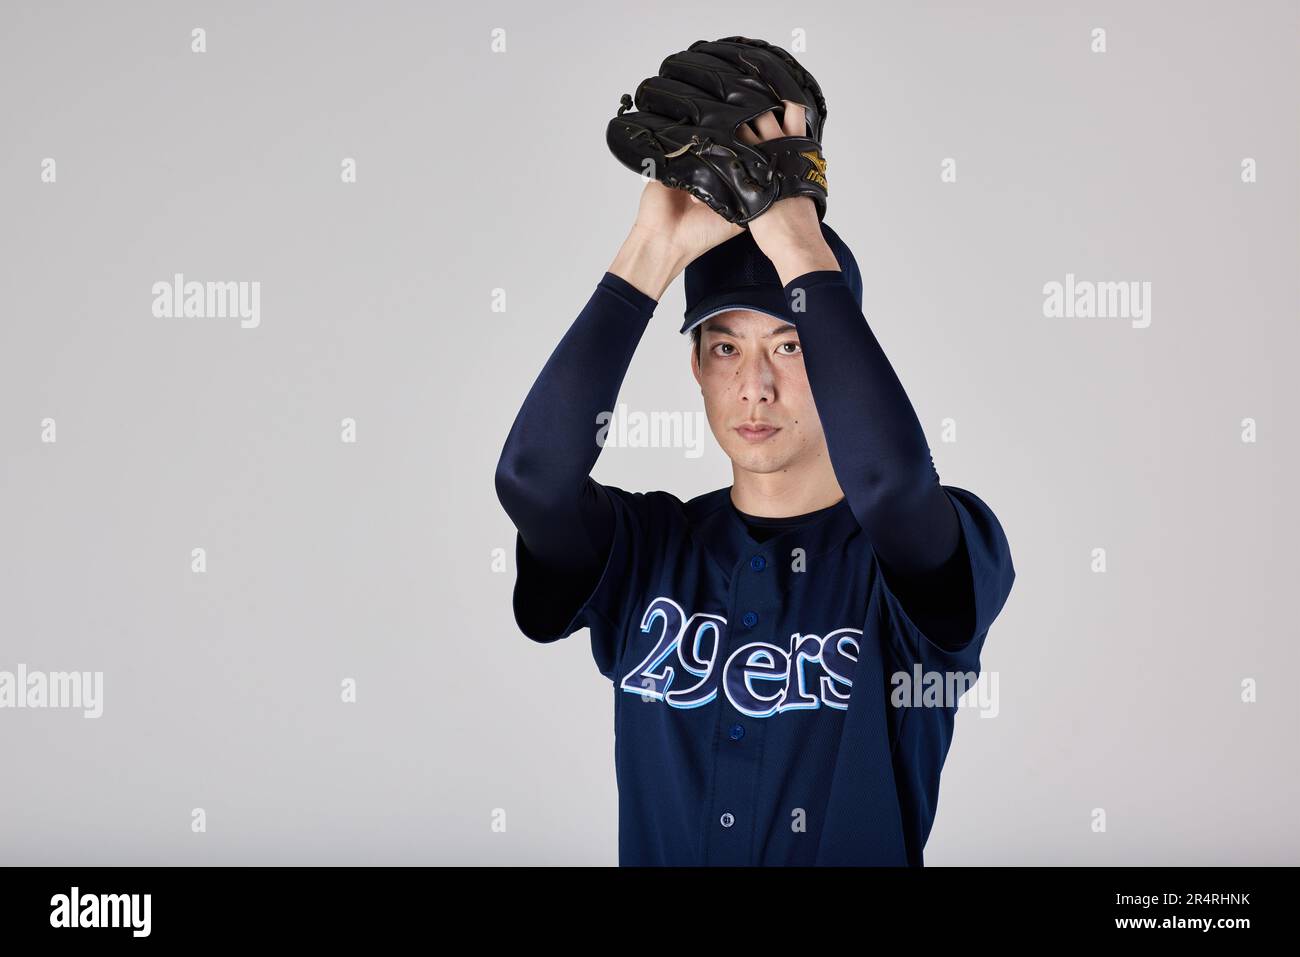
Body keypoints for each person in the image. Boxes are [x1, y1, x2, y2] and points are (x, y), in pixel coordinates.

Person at [494, 103, 1015, 865]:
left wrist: (795, 230)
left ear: (839, 368)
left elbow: (889, 484)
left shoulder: (922, 548)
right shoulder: (647, 550)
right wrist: (651, 247)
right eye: (727, 347)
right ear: (698, 367)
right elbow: (532, 480)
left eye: (792, 345)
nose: (755, 386)